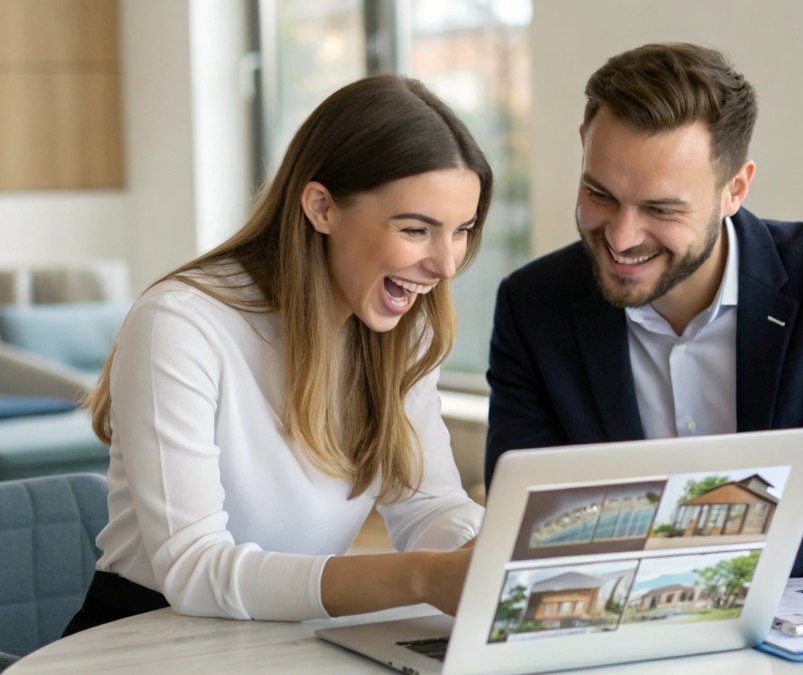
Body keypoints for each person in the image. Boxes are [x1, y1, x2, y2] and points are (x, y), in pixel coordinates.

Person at [485, 43, 803, 577]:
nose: (622, 237)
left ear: (734, 189)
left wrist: (715, 545)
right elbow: (522, 519)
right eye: (599, 194)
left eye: (661, 209)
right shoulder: (532, 305)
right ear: (585, 147)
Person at [64, 74, 492, 634]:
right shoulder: (181, 324)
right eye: (416, 230)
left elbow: (428, 506)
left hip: (286, 636)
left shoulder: (399, 332)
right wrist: (419, 578)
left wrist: (490, 550)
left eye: (461, 231)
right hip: (147, 635)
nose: (447, 265)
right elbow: (193, 571)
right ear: (321, 207)